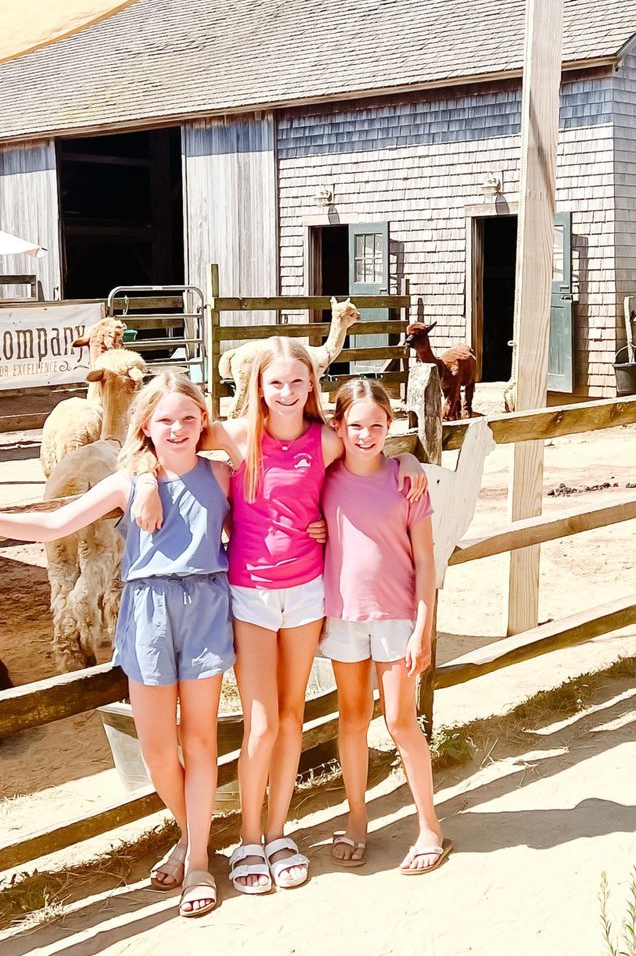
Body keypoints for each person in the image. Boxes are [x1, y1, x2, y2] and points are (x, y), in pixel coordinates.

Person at [134, 339, 426, 896]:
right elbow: (167, 439)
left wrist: (409, 457)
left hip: (307, 591)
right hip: (250, 594)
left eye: (298, 383)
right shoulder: (237, 437)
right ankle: (246, 838)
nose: (287, 393)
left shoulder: (325, 440)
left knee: (292, 719)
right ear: (258, 388)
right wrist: (147, 479)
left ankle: (277, 832)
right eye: (276, 384)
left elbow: (377, 447)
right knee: (261, 722)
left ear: (311, 388)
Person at [0, 372, 233, 919]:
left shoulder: (222, 475)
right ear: (145, 425)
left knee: (199, 741)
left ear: (204, 421)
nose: (177, 429)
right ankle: (190, 833)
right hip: (148, 614)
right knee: (156, 749)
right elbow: (57, 523)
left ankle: (197, 859)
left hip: (205, 607)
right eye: (165, 420)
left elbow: (263, 509)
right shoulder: (128, 481)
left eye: (189, 418)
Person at [321, 377, 448, 874]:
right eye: (355, 425)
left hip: (396, 619)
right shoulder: (325, 479)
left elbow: (427, 563)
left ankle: (430, 826)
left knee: (400, 720)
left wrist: (423, 628)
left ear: (388, 426)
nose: (365, 434)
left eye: (376, 425)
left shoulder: (406, 481)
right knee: (351, 719)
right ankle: (357, 818)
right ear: (339, 426)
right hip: (344, 618)